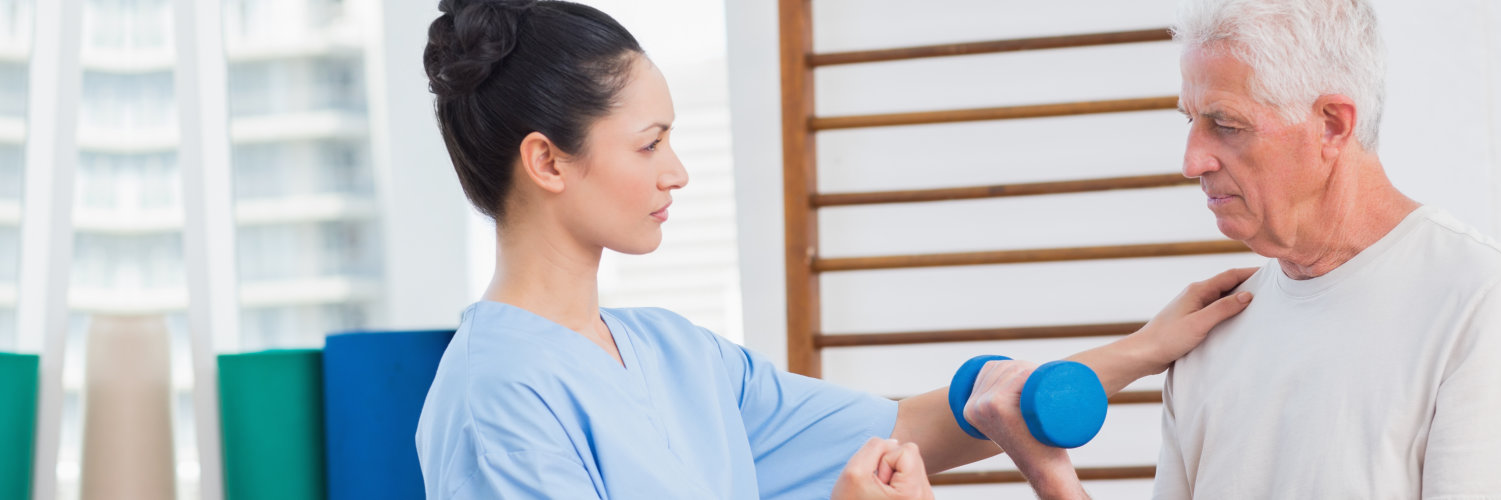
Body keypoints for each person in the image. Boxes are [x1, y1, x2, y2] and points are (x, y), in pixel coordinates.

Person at [409, 1, 1257, 499]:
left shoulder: (673, 354)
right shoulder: (499, 403)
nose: (677, 174)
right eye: (648, 145)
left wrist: (1143, 351)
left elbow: (907, 428)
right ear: (547, 160)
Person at [1149, 0, 1501, 498]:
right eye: (1191, 121)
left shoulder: (1481, 301)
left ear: (1332, 124)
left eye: (1226, 125)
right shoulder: (1208, 332)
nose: (1192, 160)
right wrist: (1055, 482)